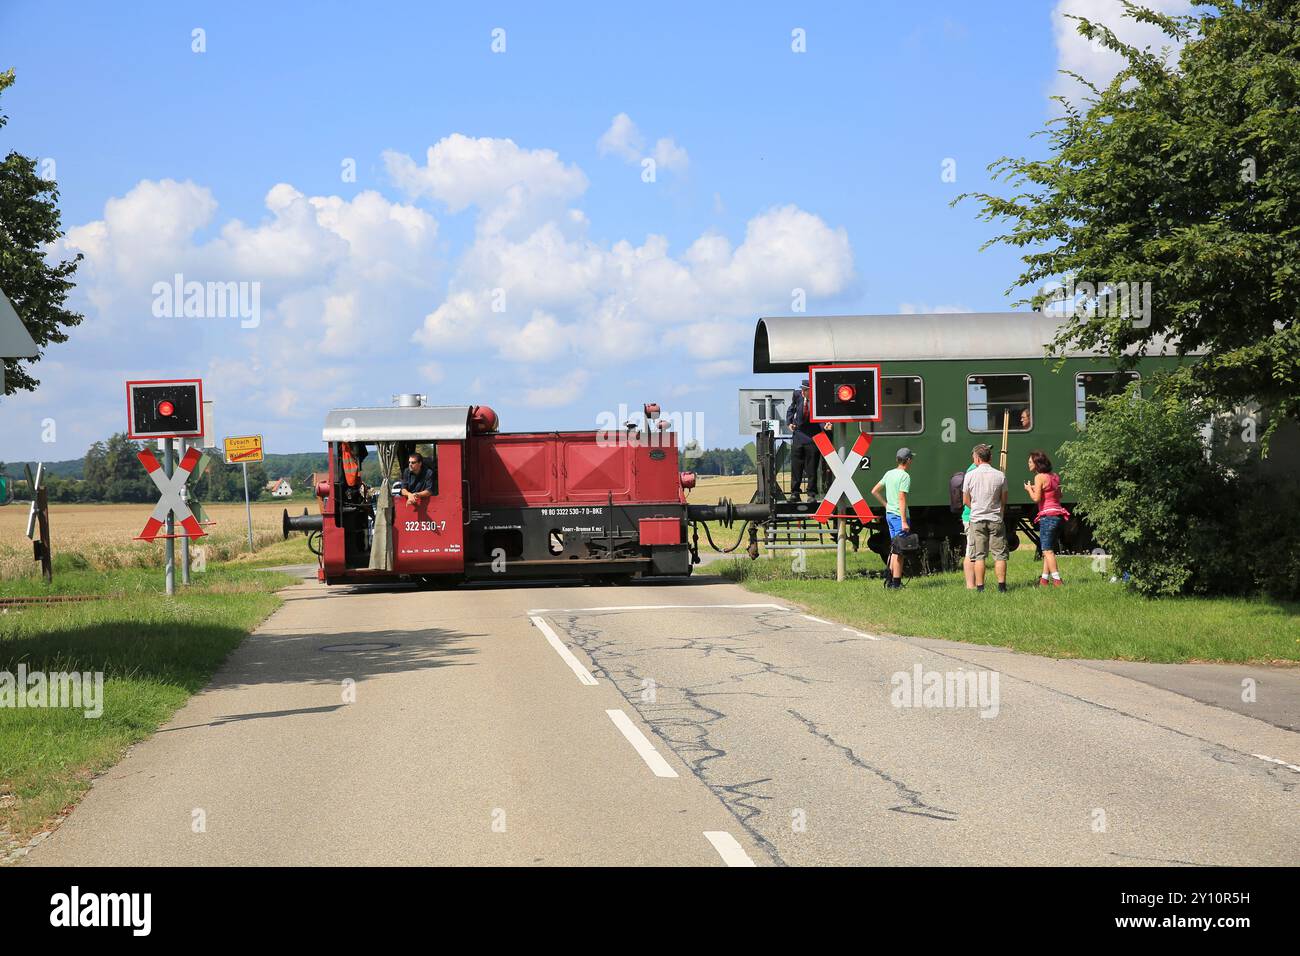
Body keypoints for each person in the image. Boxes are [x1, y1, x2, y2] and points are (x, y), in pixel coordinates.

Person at [962, 443, 1009, 592]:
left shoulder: (970, 475)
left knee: (979, 555)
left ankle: (980, 588)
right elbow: (1004, 499)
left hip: (976, 519)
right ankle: (1001, 587)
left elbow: (965, 500)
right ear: (990, 458)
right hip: (995, 518)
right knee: (1000, 555)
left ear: (977, 458)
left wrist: (975, 507)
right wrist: (999, 511)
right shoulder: (1000, 475)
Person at [1024, 450, 1070, 587]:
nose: (1028, 463)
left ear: (1037, 464)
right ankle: (1044, 580)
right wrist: (1036, 488)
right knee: (1049, 548)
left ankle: (1057, 580)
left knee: (1047, 551)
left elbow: (1036, 498)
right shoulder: (1054, 476)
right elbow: (1058, 494)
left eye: (1030, 462)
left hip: (1047, 516)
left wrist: (1029, 489)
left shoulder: (1039, 477)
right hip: (1058, 515)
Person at [871, 448, 914, 590]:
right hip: (898, 516)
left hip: (890, 514)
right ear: (907, 460)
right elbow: (902, 498)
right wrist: (903, 520)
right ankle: (895, 583)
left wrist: (886, 505)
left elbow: (874, 491)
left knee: (894, 549)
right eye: (911, 459)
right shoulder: (904, 476)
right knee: (899, 552)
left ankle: (890, 580)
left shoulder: (889, 474)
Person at [785, 379, 831, 501]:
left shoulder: (819, 400)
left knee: (811, 467)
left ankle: (811, 494)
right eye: (802, 389)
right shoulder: (797, 395)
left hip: (813, 436)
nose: (803, 392)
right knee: (796, 466)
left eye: (805, 390)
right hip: (798, 435)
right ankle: (795, 493)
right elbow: (791, 409)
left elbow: (822, 417)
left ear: (812, 391)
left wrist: (825, 426)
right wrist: (789, 423)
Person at [960, 460, 977, 589]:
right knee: (970, 552)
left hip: (973, 515)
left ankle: (975, 584)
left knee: (974, 551)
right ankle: (970, 585)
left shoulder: (975, 469)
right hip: (971, 516)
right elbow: (966, 499)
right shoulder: (973, 471)